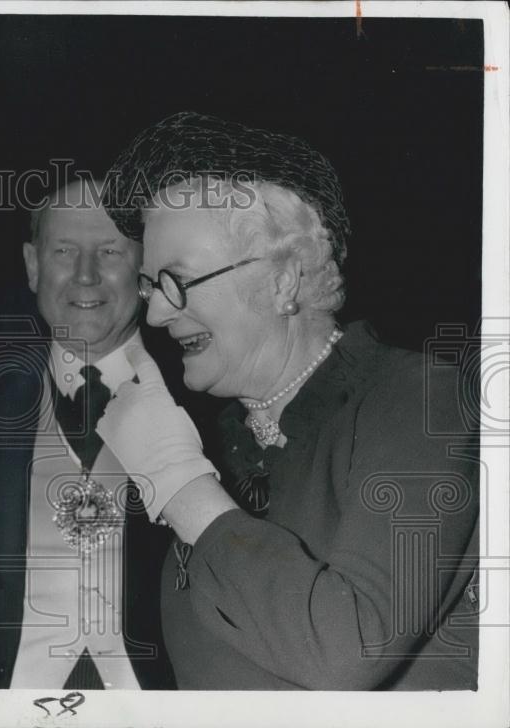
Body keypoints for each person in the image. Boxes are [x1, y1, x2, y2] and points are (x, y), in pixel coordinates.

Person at [95, 111, 479, 689]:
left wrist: (178, 483)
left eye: (176, 281)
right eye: (150, 286)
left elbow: (349, 648)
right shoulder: (220, 438)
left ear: (284, 281)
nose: (154, 312)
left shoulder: (421, 401)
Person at [0, 179, 177, 689]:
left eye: (110, 251)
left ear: (145, 268)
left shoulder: (210, 416)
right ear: (33, 266)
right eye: (63, 251)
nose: (85, 275)